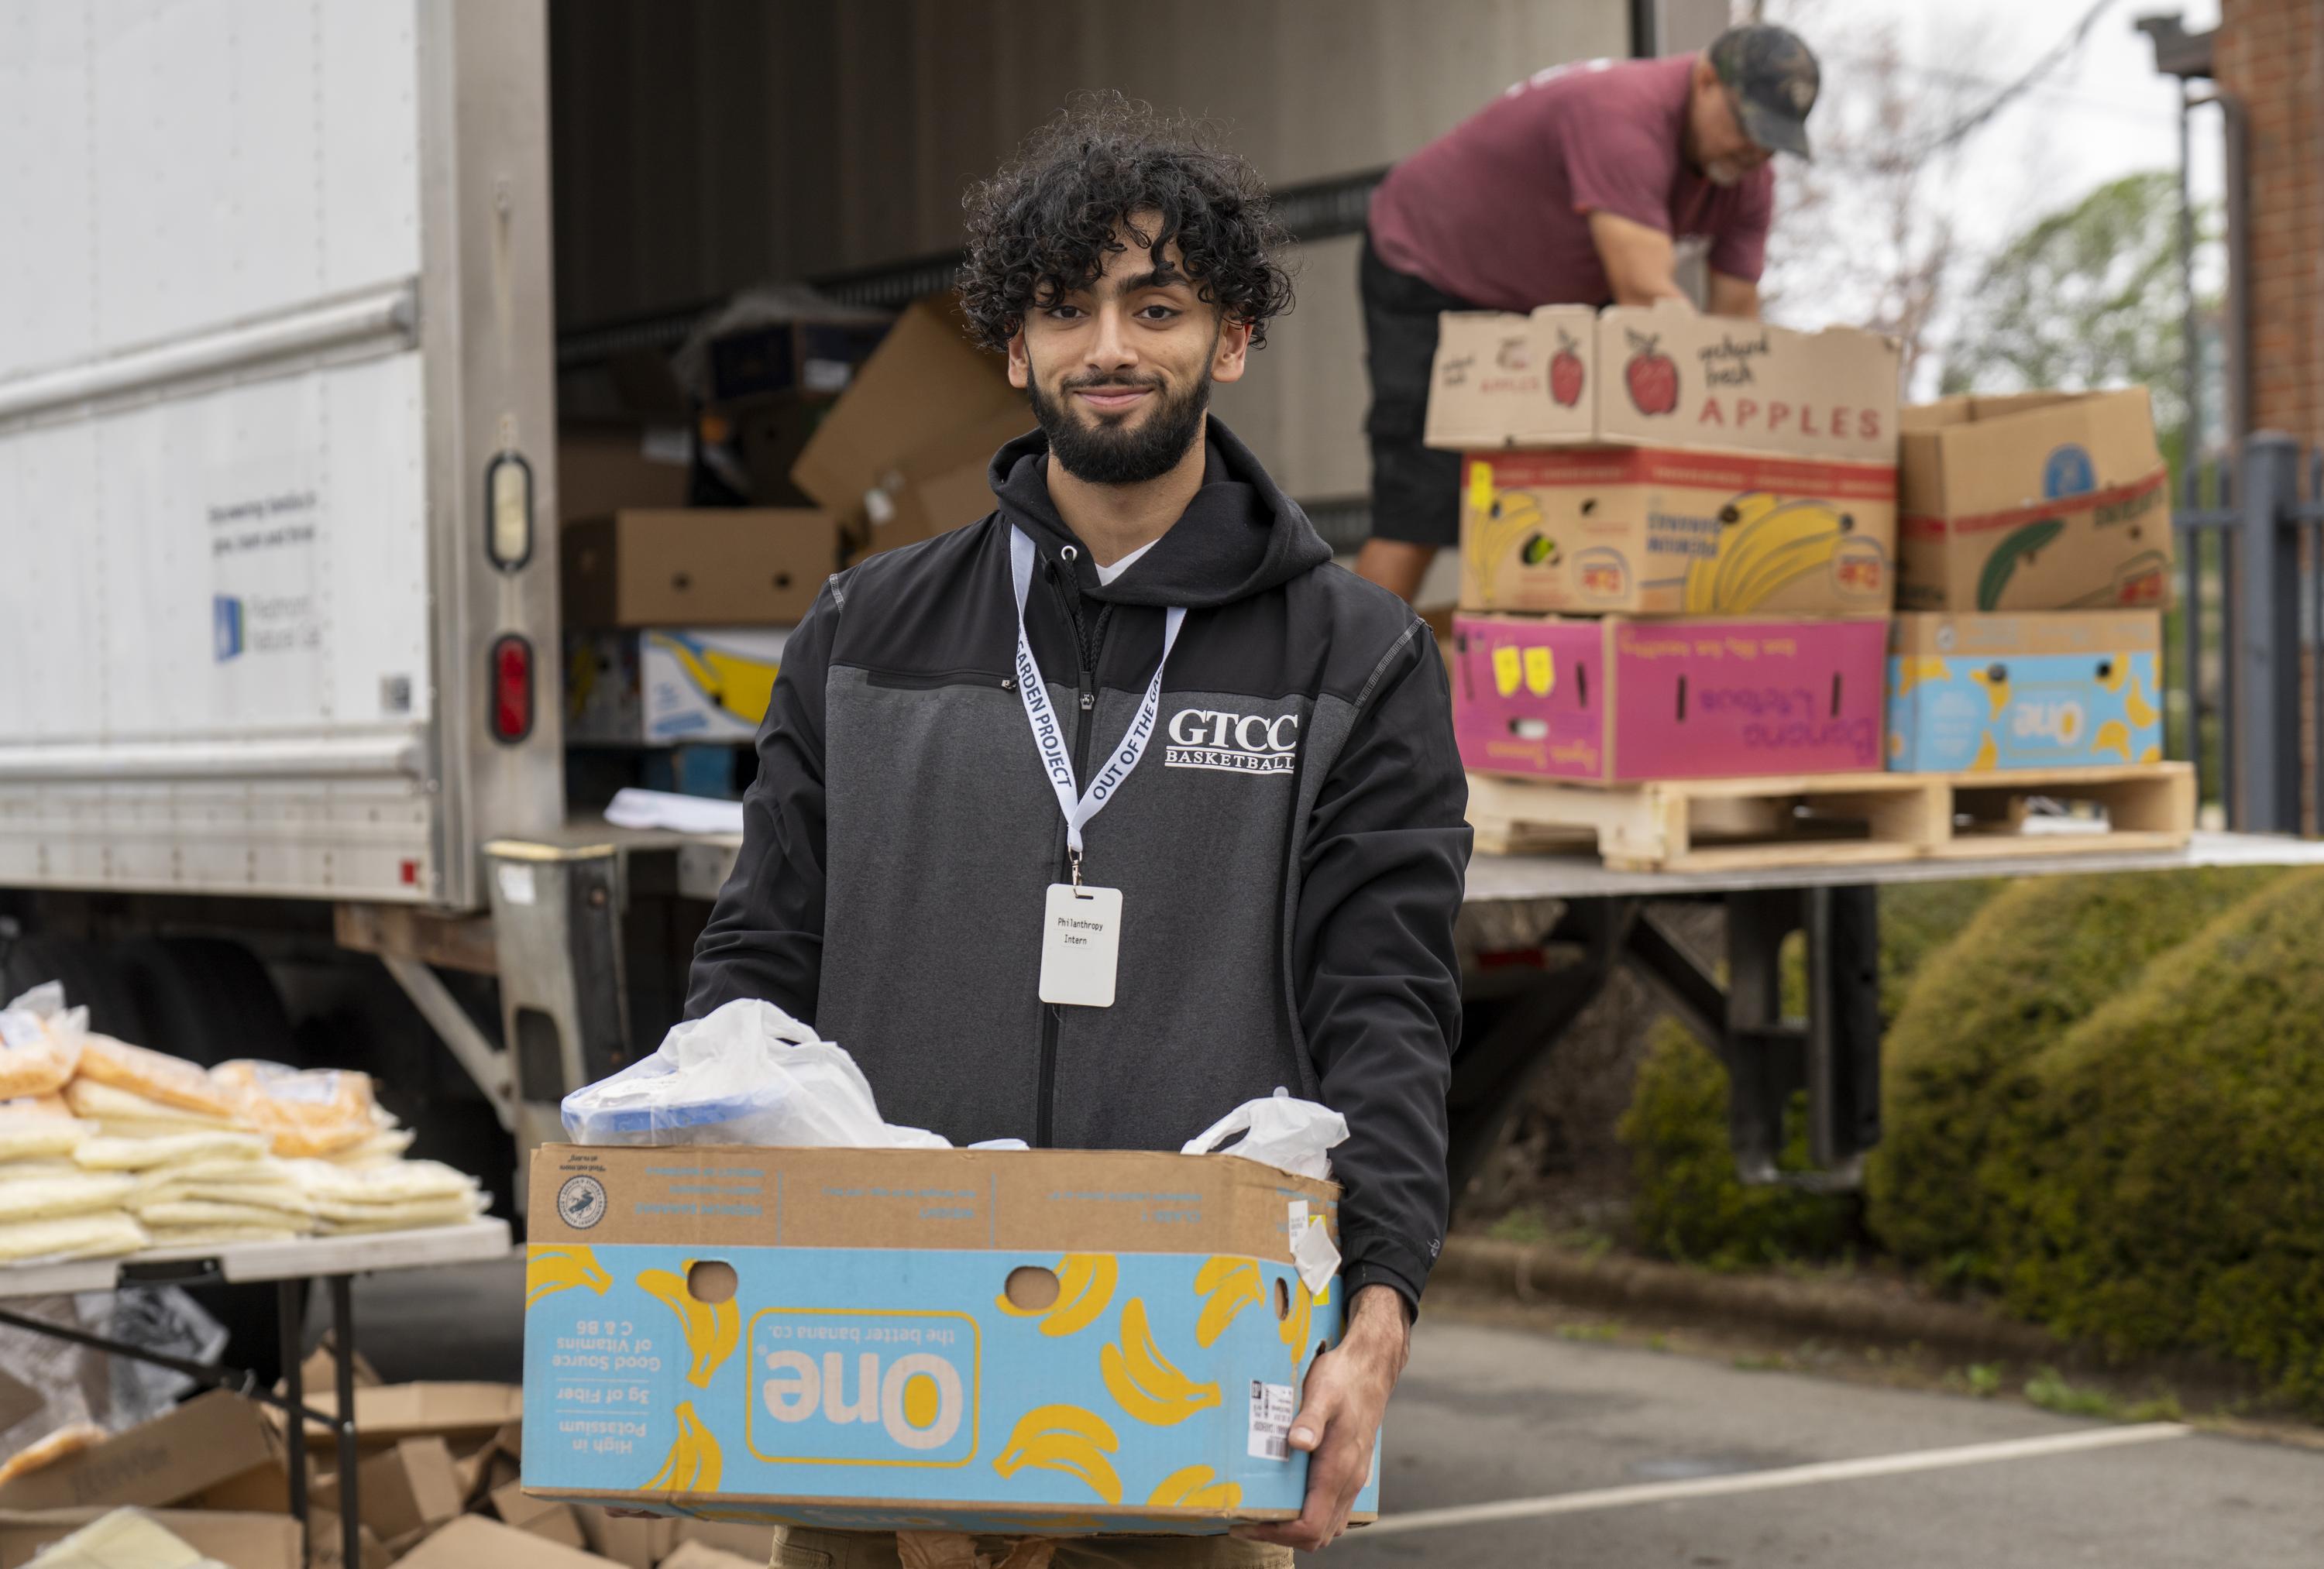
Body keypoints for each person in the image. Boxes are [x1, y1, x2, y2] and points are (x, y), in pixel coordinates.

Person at [689, 92, 1469, 1566]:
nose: (1109, 345)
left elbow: (1389, 1011)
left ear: (1230, 339)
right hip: (874, 1379)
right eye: (1065, 307)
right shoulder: (863, 632)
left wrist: (1378, 1313)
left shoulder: (1355, 661)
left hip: (1172, 1391)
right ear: (1013, 344)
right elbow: (756, 969)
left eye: (1156, 305)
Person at [1353, 22, 1823, 603]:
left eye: (1772, 140)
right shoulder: (1624, 117)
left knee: (1578, 483)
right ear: (1704, 80)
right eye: (1747, 127)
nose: (1755, 151)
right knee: (1421, 496)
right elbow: (1647, 298)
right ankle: (1343, 687)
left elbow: (1735, 330)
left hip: (1547, 293)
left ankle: (1560, 659)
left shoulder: (1748, 179)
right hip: (1428, 264)